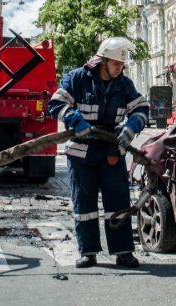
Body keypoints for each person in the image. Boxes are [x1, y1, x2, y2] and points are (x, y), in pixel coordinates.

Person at [48, 37, 149, 269]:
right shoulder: (77, 79)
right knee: (84, 203)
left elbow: (141, 108)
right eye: (116, 64)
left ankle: (123, 252)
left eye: (122, 65)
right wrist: (74, 120)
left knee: (119, 201)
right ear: (103, 61)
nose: (120, 68)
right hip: (81, 154)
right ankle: (88, 252)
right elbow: (55, 104)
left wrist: (133, 125)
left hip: (112, 150)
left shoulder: (124, 84)